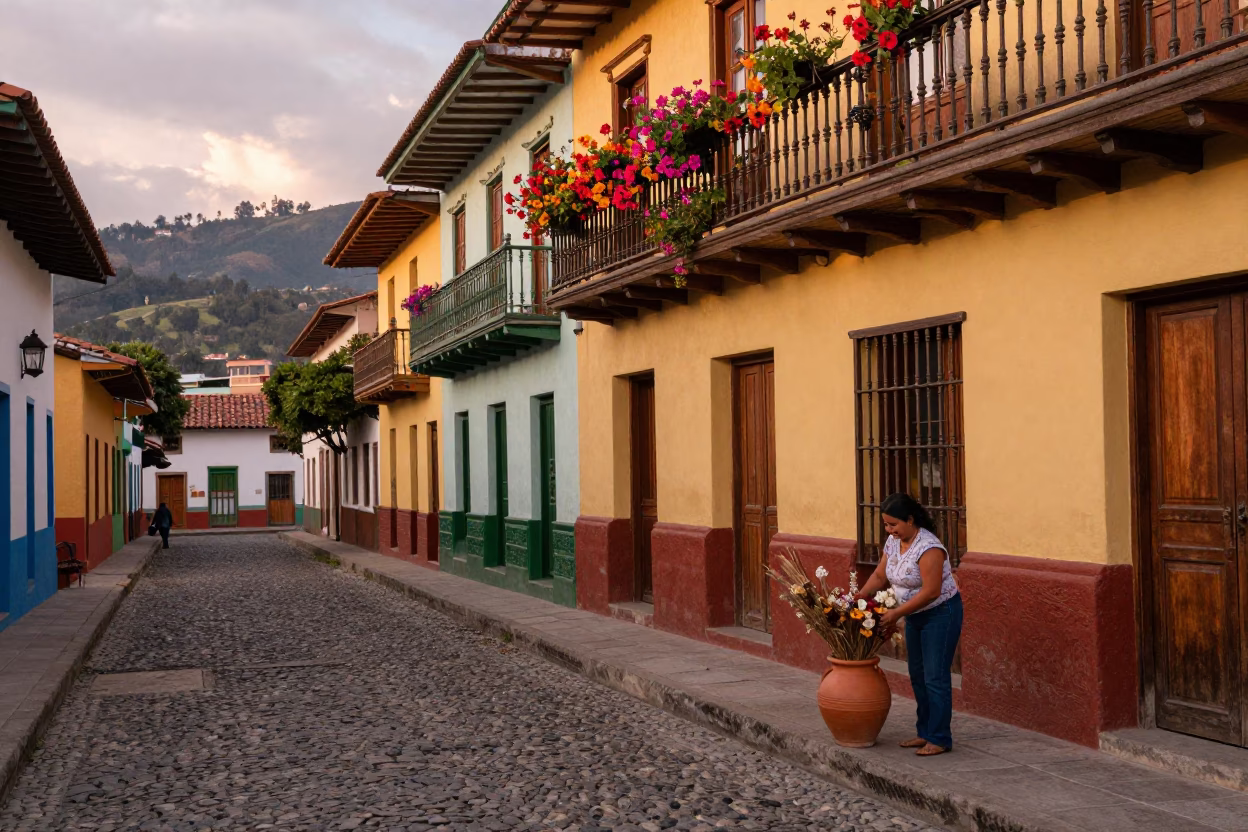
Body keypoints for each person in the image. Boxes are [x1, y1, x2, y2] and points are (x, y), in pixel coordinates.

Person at [856, 493, 962, 757]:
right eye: (886, 525)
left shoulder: (929, 547)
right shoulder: (893, 543)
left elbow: (931, 591)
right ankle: (924, 731)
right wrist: (859, 597)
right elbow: (880, 574)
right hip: (914, 614)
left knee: (935, 676)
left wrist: (896, 614)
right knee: (917, 674)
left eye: (894, 525)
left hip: (941, 613)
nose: (889, 530)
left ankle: (939, 737)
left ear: (911, 520)